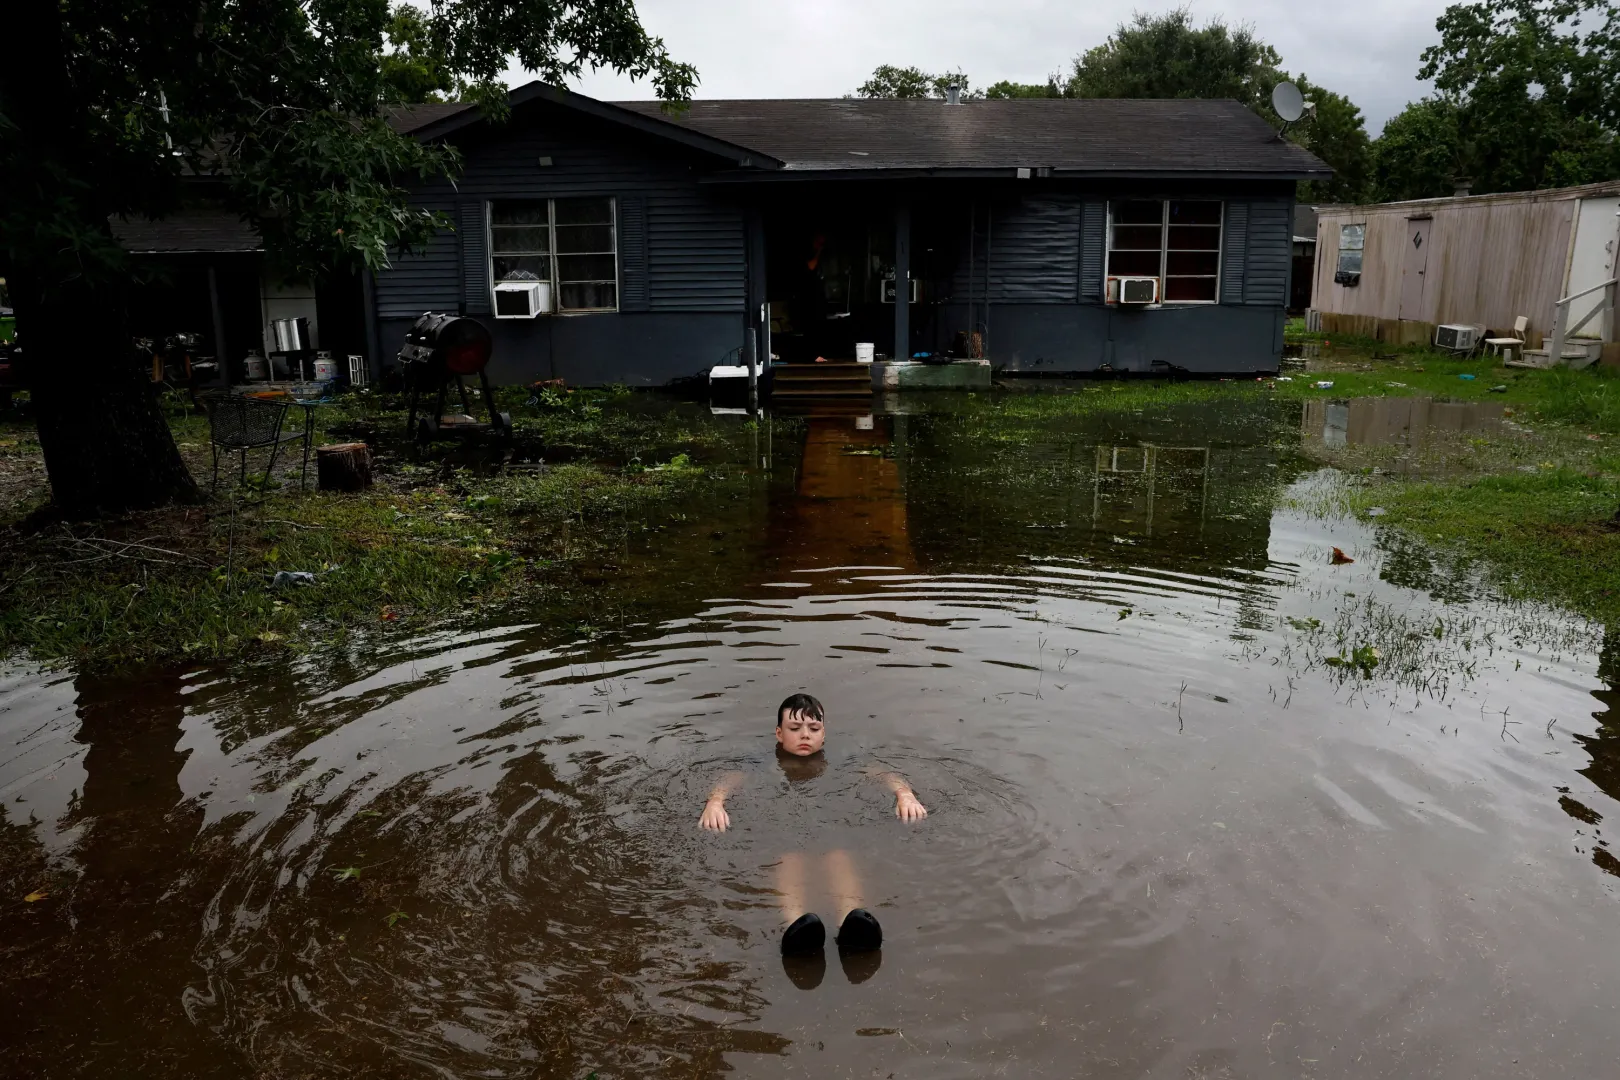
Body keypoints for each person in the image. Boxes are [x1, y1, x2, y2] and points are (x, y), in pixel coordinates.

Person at [699, 693, 927, 956]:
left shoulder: (843, 755)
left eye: (814, 728)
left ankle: (850, 923)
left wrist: (904, 794)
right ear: (779, 733)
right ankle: (795, 926)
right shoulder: (762, 759)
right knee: (790, 857)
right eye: (794, 728)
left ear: (824, 734)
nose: (805, 735)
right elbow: (731, 777)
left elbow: (881, 772)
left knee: (838, 855)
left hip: (829, 819)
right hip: (783, 822)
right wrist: (716, 801)